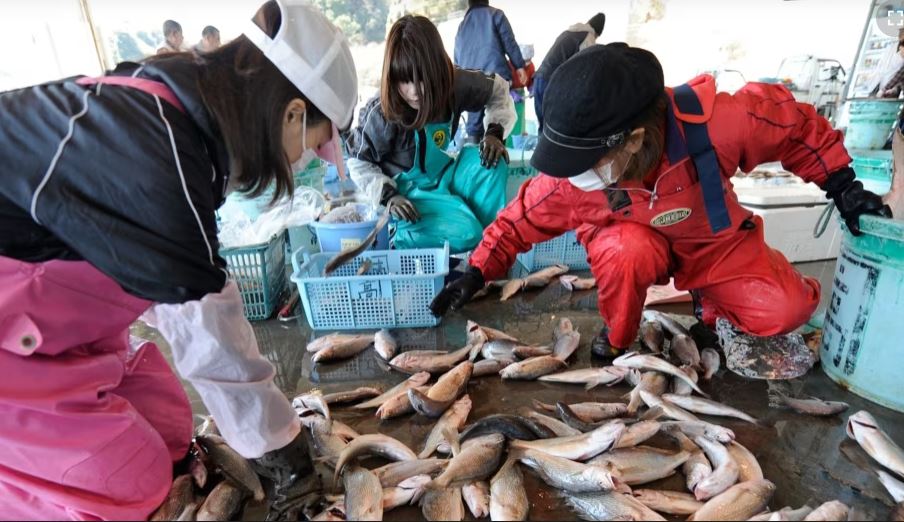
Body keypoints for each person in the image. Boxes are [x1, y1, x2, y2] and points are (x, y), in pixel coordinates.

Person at [0, 1, 356, 519]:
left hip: (55, 314)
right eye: (314, 145)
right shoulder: (159, 158)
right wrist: (283, 450)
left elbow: (185, 296)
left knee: (171, 435)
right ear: (293, 113)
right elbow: (211, 336)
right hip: (13, 325)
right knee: (127, 479)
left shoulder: (182, 102)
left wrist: (262, 431)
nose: (302, 161)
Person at [430, 43, 891, 363]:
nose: (575, 174)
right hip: (634, 247)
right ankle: (617, 338)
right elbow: (517, 221)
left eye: (587, 161)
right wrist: (475, 271)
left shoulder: (716, 124)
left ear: (633, 140)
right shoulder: (574, 182)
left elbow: (791, 124)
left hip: (714, 244)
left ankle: (713, 302)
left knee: (786, 311)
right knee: (624, 250)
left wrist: (842, 185)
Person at [346, 15, 516, 253]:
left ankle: (487, 250)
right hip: (409, 197)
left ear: (438, 70)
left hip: (445, 173)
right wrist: (388, 196)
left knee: (492, 163)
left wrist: (495, 134)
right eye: (404, 81)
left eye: (423, 80)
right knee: (468, 232)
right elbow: (358, 161)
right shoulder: (380, 111)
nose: (414, 92)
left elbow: (498, 90)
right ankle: (403, 237)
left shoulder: (455, 82)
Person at [454, 0, 525, 143]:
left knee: (474, 126)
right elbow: (509, 42)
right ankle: (495, 155)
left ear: (469, 3)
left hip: (470, 82)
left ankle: (475, 158)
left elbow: (457, 57)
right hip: (495, 78)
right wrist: (519, 65)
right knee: (498, 122)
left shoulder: (462, 25)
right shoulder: (496, 14)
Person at [533, 13, 605, 131]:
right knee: (552, 127)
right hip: (552, 82)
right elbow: (587, 68)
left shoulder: (568, 32)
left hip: (539, 78)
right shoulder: (588, 37)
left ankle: (541, 149)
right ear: (597, 32)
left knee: (543, 127)